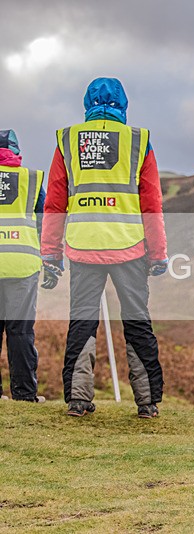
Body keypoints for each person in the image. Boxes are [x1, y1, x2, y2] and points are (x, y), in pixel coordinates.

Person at [40, 77, 168, 418]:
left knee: (82, 321)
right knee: (137, 321)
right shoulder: (138, 140)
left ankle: (79, 400)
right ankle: (147, 402)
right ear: (124, 105)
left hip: (83, 245)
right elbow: (151, 203)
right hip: (130, 247)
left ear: (87, 104)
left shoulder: (67, 140)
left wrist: (50, 255)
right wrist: (158, 254)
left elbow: (54, 202)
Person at [0, 129, 46, 403]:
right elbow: (45, 222)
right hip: (22, 264)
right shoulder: (30, 179)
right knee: (20, 331)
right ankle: (25, 394)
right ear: (17, 153)